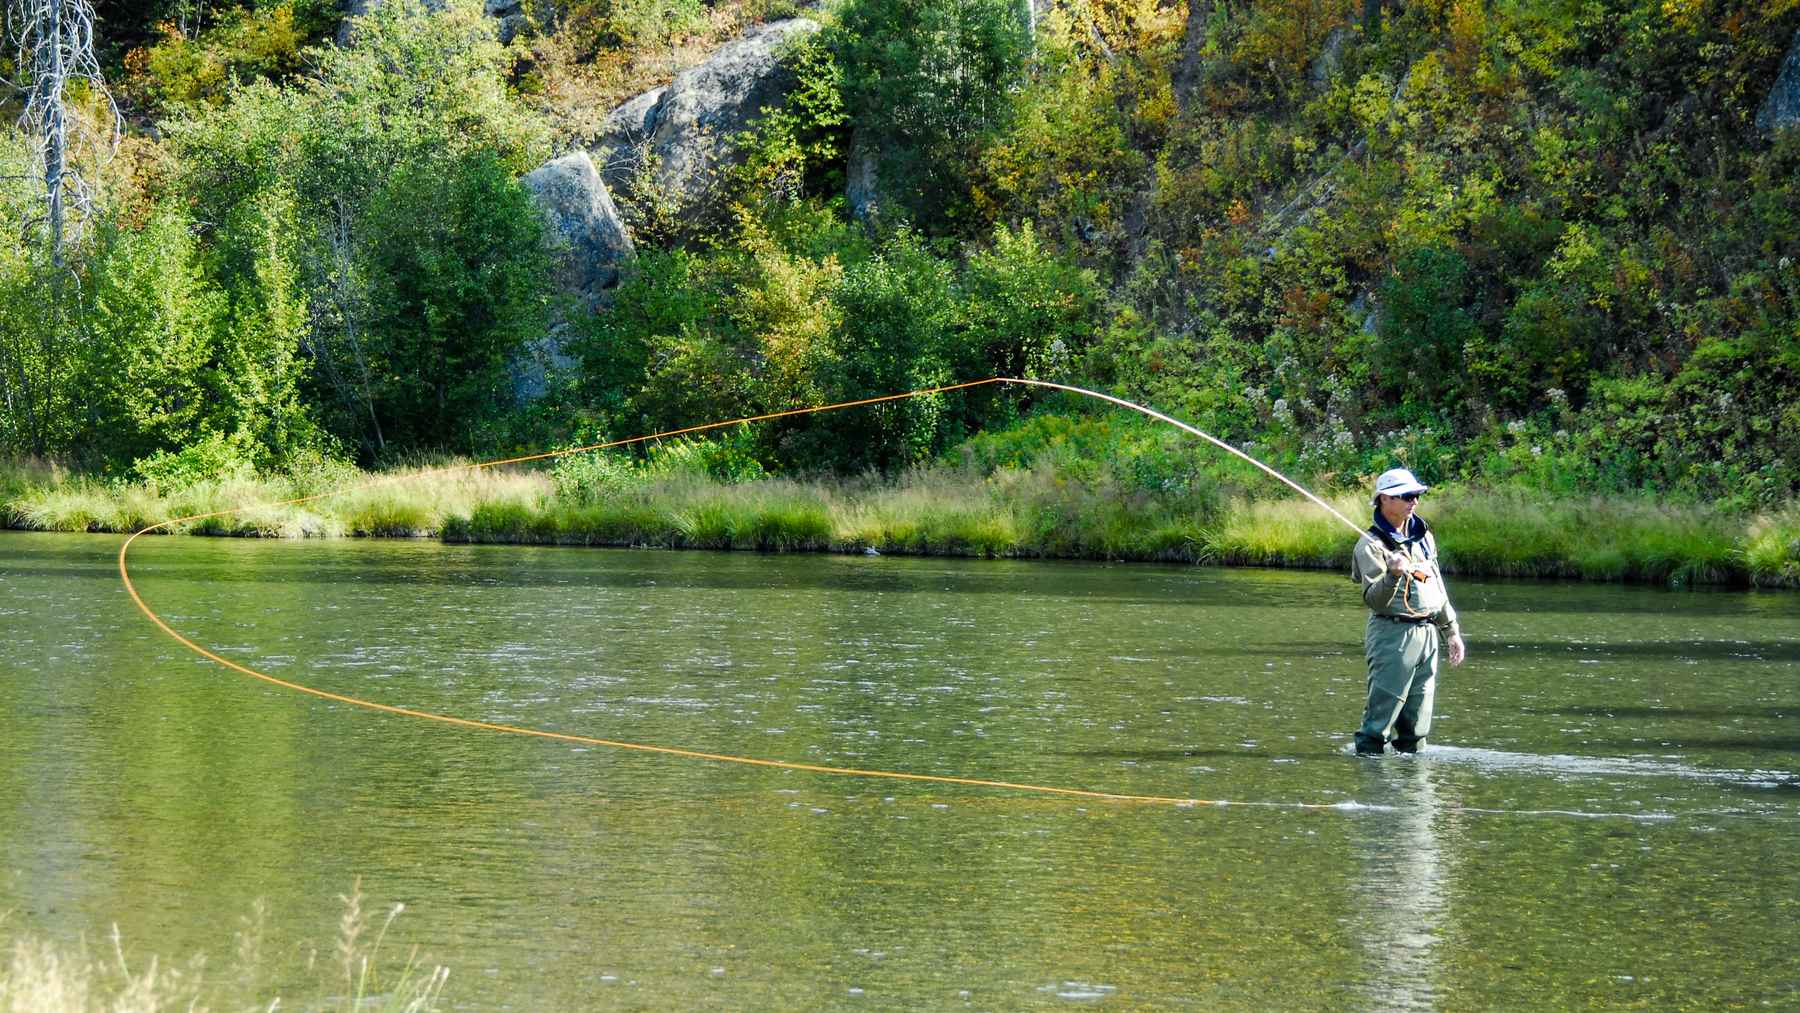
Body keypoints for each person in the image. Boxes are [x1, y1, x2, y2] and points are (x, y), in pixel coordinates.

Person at [1350, 467, 1465, 755]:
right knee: (1379, 722)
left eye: (1417, 495)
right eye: (1407, 496)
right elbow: (1374, 600)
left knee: (1417, 725)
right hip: (1392, 635)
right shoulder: (1370, 545)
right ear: (1385, 499)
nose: (1414, 501)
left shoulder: (1424, 537)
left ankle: (1413, 789)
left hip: (1428, 635)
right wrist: (1392, 575)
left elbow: (1436, 587)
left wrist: (1451, 631)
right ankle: (1373, 784)